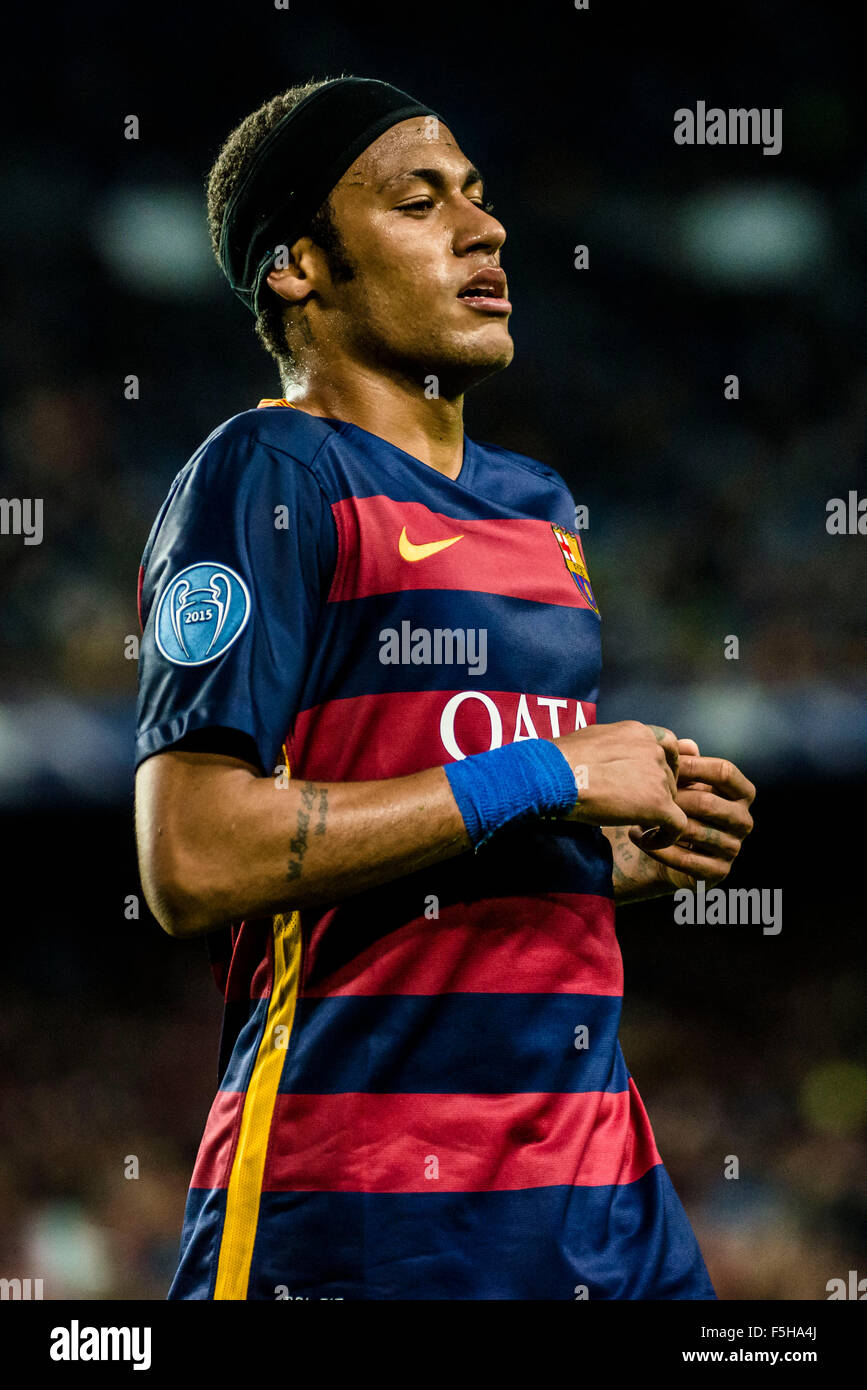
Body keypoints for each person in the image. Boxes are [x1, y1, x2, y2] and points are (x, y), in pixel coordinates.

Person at [134, 76, 755, 1300]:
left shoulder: (544, 511)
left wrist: (595, 854)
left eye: (479, 196)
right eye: (420, 202)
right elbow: (192, 857)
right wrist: (552, 772)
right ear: (298, 267)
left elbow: (458, 820)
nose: (486, 230)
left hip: (603, 1206)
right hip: (366, 1220)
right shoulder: (267, 470)